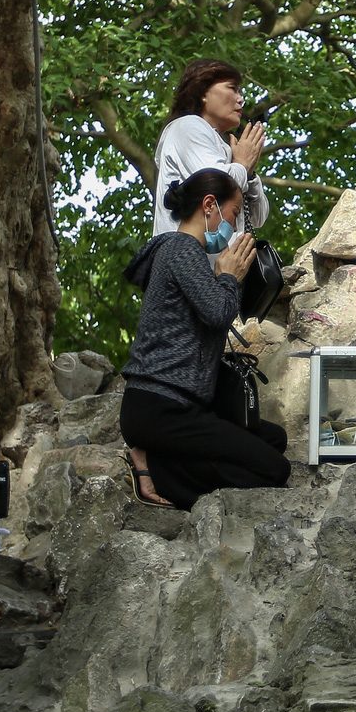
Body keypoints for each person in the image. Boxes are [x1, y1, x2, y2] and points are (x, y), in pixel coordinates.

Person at [121, 168, 290, 509]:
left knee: (275, 438)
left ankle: (158, 455)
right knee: (275, 468)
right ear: (210, 205)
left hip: (177, 407)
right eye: (235, 212)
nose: (235, 223)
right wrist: (228, 277)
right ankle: (158, 469)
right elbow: (218, 313)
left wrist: (224, 279)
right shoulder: (182, 249)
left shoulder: (186, 254)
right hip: (162, 407)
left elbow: (212, 317)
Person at [151, 58, 269, 238]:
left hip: (221, 266)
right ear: (203, 92)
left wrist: (250, 175)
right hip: (185, 261)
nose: (241, 99)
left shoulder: (225, 149)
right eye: (232, 88)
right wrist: (242, 165)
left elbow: (257, 219)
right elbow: (215, 182)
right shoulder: (187, 127)